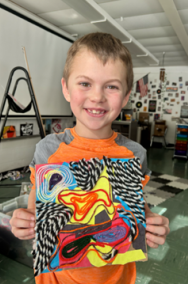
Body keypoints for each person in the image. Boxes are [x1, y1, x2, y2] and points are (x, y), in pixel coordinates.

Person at [10, 32, 170, 284]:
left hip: (116, 277)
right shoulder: (47, 149)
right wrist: (27, 219)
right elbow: (39, 203)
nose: (97, 97)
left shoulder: (135, 154)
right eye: (85, 83)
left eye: (112, 86)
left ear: (126, 96)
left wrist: (150, 222)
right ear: (66, 88)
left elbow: (134, 203)